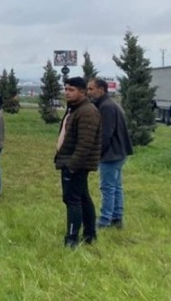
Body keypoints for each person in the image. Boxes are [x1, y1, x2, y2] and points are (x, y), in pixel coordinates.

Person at [55, 77, 102, 248]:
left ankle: (72, 239)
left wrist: (72, 166)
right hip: (70, 161)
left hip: (76, 164)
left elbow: (85, 143)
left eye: (71, 89)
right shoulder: (74, 109)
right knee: (82, 197)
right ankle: (90, 234)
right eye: (66, 89)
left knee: (72, 200)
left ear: (82, 91)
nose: (67, 92)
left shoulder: (87, 111)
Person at [88, 78, 133, 229]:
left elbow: (106, 133)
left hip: (111, 153)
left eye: (91, 89)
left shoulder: (106, 106)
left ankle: (105, 220)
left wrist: (97, 153)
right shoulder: (111, 103)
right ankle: (117, 218)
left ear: (101, 89)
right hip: (120, 152)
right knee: (116, 187)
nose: (89, 92)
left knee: (107, 188)